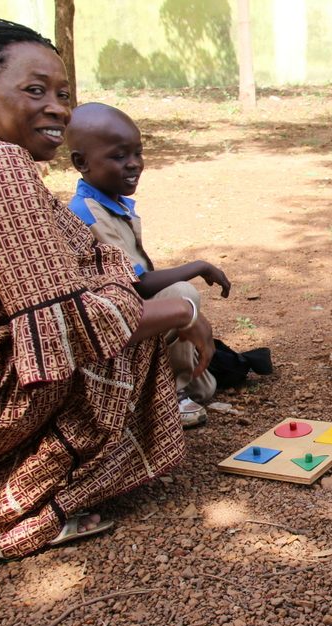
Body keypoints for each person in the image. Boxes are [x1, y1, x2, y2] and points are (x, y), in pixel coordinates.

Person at [0, 19, 212, 569]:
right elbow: (67, 328)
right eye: (35, 90)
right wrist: (181, 309)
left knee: (120, 308)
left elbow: (83, 271)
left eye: (63, 93)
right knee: (119, 336)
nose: (57, 108)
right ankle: (22, 504)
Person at [65, 103, 230, 428]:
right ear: (81, 162)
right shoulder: (88, 214)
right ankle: (172, 392)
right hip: (111, 320)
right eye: (118, 156)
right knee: (182, 294)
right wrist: (197, 266)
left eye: (137, 153)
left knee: (208, 384)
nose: (134, 164)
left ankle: (179, 381)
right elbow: (136, 285)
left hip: (128, 309)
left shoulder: (110, 203)